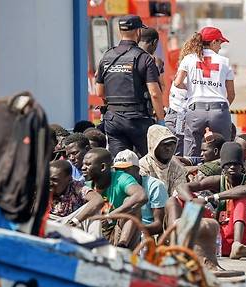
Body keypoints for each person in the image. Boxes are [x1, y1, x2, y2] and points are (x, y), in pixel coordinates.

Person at [95, 15, 164, 157]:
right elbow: (155, 93)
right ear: (138, 32)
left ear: (120, 31)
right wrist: (161, 121)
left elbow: (99, 92)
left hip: (113, 120)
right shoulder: (144, 58)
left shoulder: (106, 56)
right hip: (138, 120)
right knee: (150, 161)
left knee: (120, 163)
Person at [177, 142, 246, 259]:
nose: (232, 167)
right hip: (221, 236)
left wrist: (212, 197)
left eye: (236, 164)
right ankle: (182, 244)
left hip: (245, 240)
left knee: (241, 198)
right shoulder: (218, 180)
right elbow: (182, 187)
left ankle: (236, 245)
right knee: (180, 200)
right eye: (228, 164)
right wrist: (191, 201)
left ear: (241, 166)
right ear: (222, 166)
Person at [174, 27, 235, 157]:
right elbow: (231, 94)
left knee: (191, 151)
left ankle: (191, 175)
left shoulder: (189, 59)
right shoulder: (225, 62)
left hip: (196, 110)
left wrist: (190, 88)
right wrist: (222, 108)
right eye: (220, 43)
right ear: (213, 42)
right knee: (224, 150)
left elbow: (177, 83)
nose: (220, 47)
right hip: (219, 110)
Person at [81, 148, 147, 248]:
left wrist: (111, 215)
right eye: (83, 164)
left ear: (103, 167)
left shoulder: (121, 178)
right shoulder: (85, 186)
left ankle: (122, 246)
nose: (83, 168)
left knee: (131, 202)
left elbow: (141, 196)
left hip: (119, 230)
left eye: (88, 165)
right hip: (96, 232)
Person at [114, 150, 168, 236]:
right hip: (118, 230)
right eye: (117, 170)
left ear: (137, 170)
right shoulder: (114, 185)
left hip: (145, 233)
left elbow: (159, 224)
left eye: (125, 170)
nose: (121, 175)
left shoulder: (155, 186)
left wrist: (135, 231)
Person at [139, 124, 187, 196]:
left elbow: (179, 194)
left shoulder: (177, 168)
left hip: (173, 205)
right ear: (154, 145)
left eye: (172, 144)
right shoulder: (142, 167)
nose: (169, 148)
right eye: (165, 144)